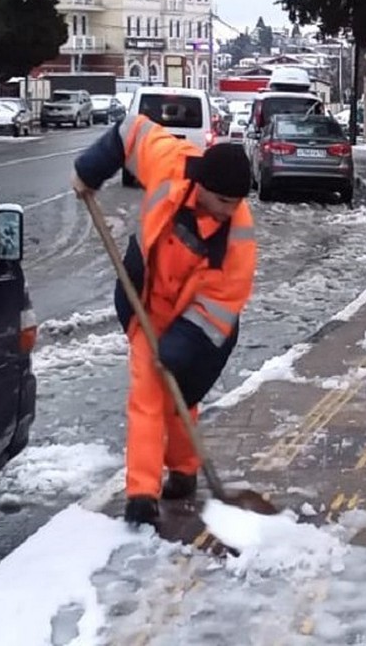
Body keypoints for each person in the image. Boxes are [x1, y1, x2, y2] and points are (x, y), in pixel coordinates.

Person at [71, 113, 257, 528]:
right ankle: (142, 494)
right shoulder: (171, 162)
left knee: (178, 394)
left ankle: (185, 468)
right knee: (149, 396)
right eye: (225, 202)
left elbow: (221, 305)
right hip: (143, 299)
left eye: (237, 202)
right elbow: (130, 130)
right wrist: (90, 170)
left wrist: (179, 346)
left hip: (198, 326)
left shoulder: (237, 238)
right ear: (204, 188)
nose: (232, 210)